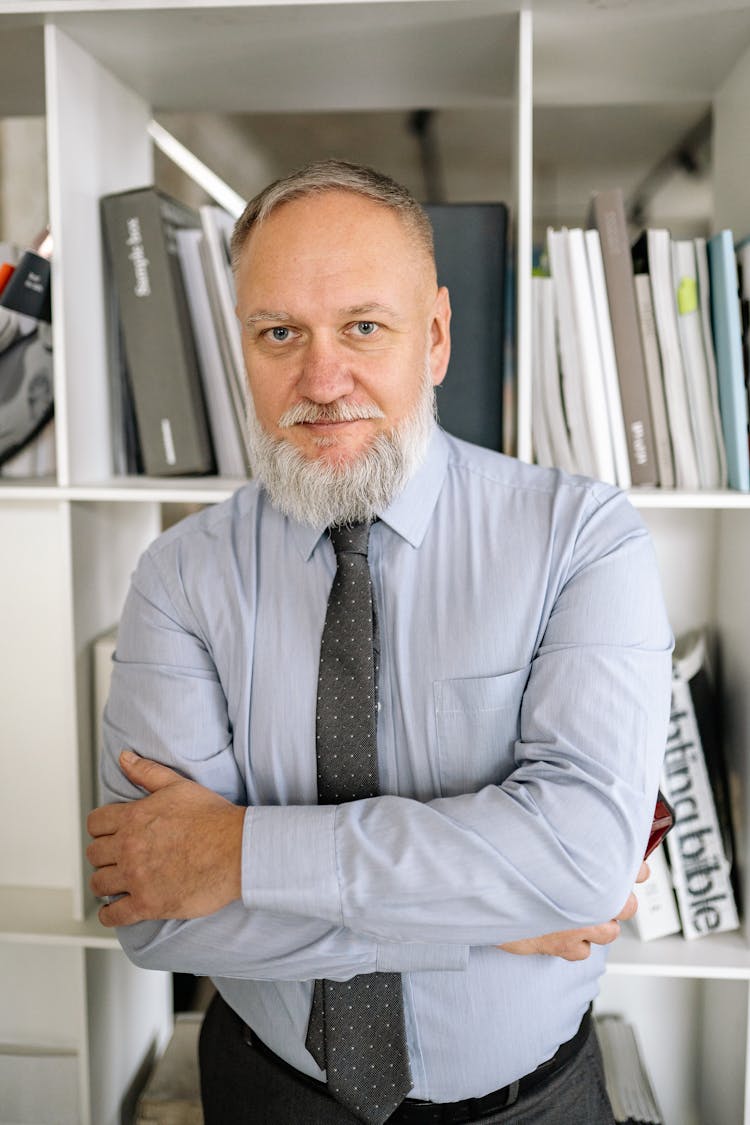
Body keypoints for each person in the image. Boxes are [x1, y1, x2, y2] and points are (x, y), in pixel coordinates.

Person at [87, 160, 673, 1125]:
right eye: (281, 333)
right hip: (271, 1093)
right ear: (244, 345)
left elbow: (581, 862)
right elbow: (151, 911)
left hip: (531, 1103)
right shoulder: (181, 574)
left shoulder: (582, 538)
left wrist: (236, 854)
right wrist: (493, 919)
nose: (323, 381)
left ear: (434, 335)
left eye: (364, 326)